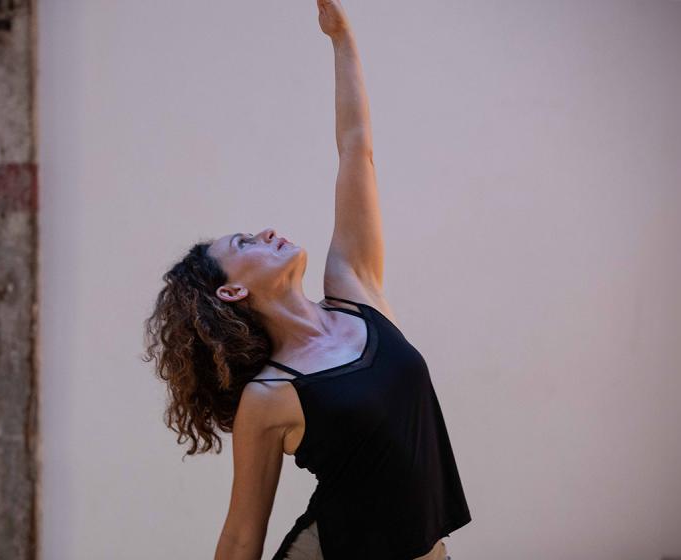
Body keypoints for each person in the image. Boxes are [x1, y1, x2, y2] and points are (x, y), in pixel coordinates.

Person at [142, 1, 471, 559]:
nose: (264, 232)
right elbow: (242, 534)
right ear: (231, 291)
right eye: (244, 243)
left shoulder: (356, 291)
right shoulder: (270, 397)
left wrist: (341, 39)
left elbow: (356, 150)